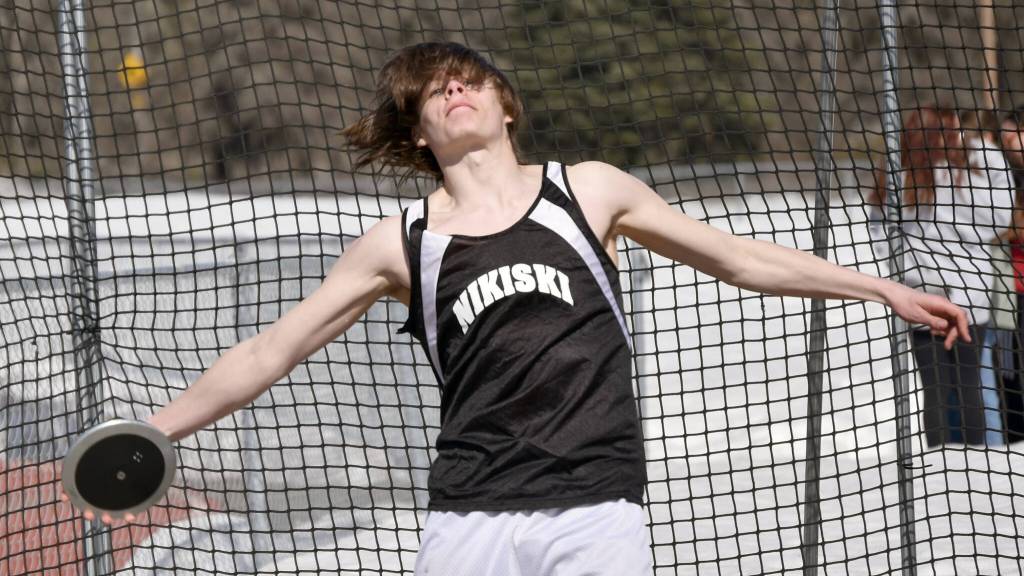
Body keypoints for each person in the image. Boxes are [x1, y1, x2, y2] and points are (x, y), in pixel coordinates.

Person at [80, 43, 969, 574]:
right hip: (470, 512)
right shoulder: (401, 242)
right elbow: (270, 351)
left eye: (471, 80)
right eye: (436, 91)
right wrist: (156, 432)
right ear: (420, 133)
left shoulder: (589, 191)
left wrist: (883, 288)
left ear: (506, 107)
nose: (455, 91)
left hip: (595, 505)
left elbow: (740, 259)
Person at [869, 105, 1013, 448]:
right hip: (965, 295)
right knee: (967, 385)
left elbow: (880, 230)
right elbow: (998, 219)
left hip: (923, 295)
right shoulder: (959, 173)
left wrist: (906, 272)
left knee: (936, 387)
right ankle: (973, 465)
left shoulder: (897, 172)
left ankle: (941, 463)